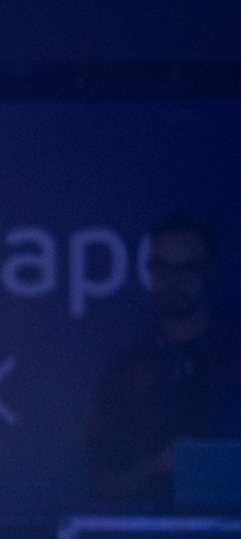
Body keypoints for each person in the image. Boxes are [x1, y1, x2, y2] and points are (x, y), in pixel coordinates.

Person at [87, 216, 241, 510]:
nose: (174, 281)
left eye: (188, 269)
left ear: (209, 272)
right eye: (163, 268)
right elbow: (101, 480)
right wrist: (159, 465)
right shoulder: (126, 373)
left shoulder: (234, 360)